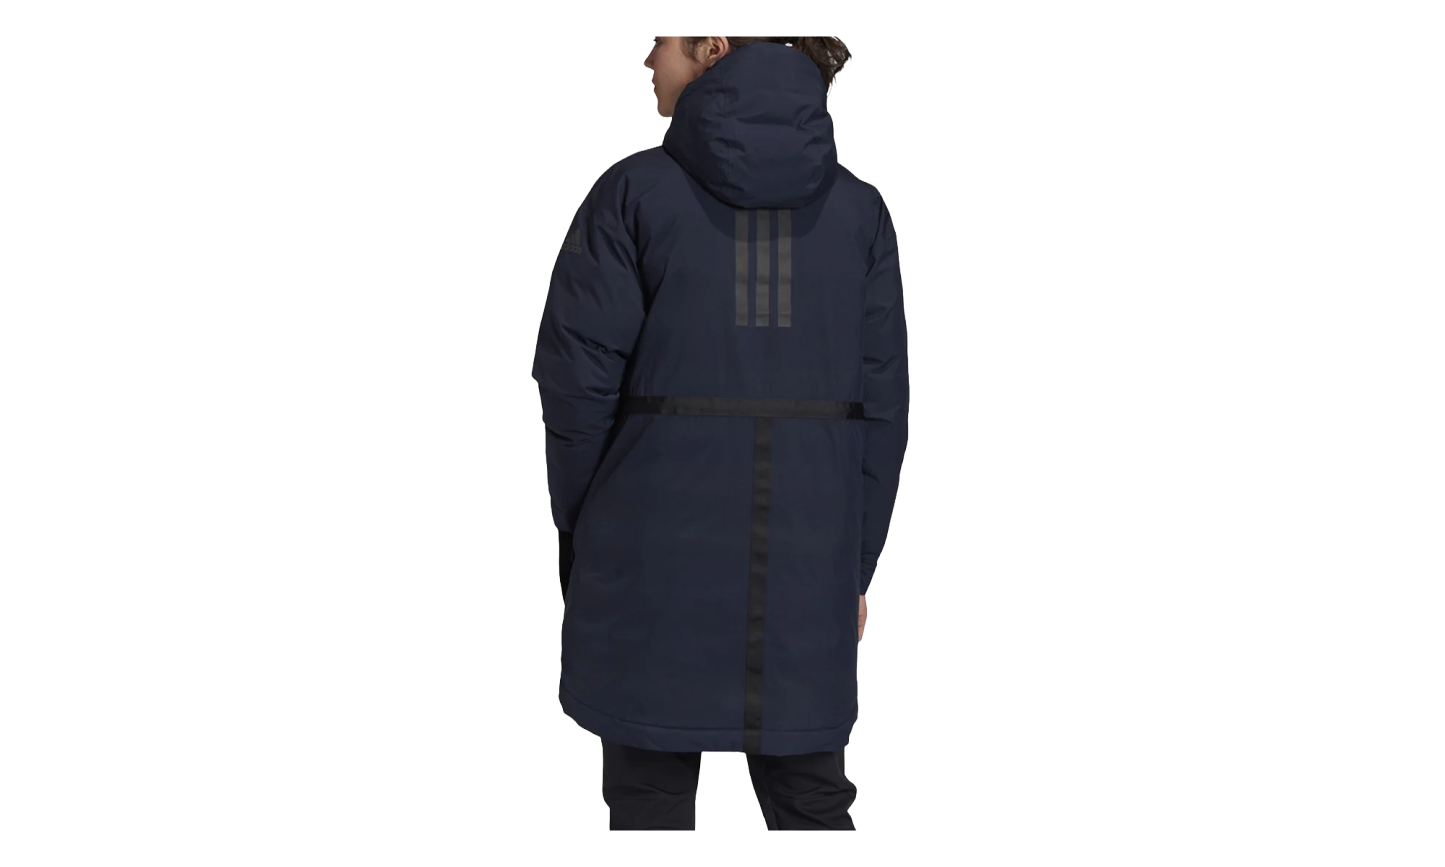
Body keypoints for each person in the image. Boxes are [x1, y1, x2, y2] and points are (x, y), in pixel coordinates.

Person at [530, 36, 910, 831]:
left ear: (712, 45)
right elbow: (882, 410)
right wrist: (852, 568)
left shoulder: (631, 192)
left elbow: (573, 389)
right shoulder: (860, 212)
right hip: (808, 561)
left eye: (661, 38)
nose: (646, 59)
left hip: (645, 554)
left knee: (648, 804)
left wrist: (585, 536)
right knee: (810, 801)